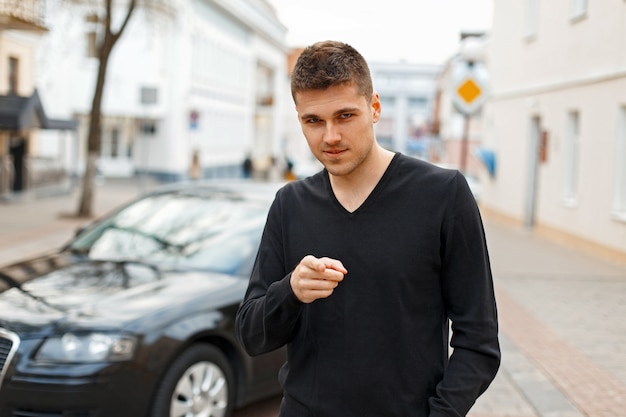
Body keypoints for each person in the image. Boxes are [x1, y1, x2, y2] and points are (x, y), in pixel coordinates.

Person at [235, 40, 500, 417]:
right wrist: (291, 291)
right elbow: (252, 335)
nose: (330, 136)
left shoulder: (443, 195)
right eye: (314, 121)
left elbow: (480, 341)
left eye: (345, 116)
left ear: (374, 107)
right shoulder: (289, 204)